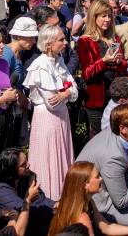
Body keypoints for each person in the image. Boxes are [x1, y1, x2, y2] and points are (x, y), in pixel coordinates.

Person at [25, 24, 79, 201]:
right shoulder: (40, 65)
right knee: (49, 159)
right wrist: (67, 92)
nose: (65, 43)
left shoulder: (59, 60)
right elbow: (51, 103)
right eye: (61, 40)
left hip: (62, 119)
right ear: (49, 44)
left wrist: (64, 93)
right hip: (47, 120)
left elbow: (75, 92)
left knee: (62, 156)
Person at [49, 161, 128, 236]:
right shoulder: (82, 217)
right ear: (85, 185)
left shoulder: (87, 202)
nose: (101, 179)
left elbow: (106, 227)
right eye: (97, 177)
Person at [77, 0, 128, 135]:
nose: (107, 19)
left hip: (115, 96)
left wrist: (118, 62)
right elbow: (87, 73)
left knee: (117, 134)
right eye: (103, 16)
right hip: (96, 99)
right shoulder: (85, 41)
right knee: (99, 137)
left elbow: (124, 65)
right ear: (94, 17)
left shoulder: (114, 38)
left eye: (109, 16)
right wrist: (104, 61)